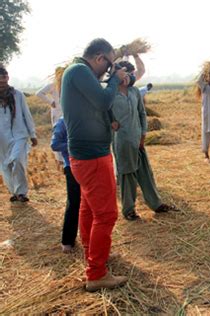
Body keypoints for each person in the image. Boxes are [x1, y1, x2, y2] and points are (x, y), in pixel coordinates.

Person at [61, 38, 128, 292]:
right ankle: (97, 273)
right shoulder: (79, 70)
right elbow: (102, 101)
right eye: (108, 64)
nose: (109, 70)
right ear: (99, 58)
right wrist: (114, 79)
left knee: (88, 209)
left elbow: (96, 105)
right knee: (107, 214)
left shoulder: (76, 72)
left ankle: (93, 255)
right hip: (92, 157)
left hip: (85, 155)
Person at [111, 61, 176, 220]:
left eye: (129, 74)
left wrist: (143, 135)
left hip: (137, 138)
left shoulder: (133, 92)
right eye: (124, 74)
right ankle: (129, 210)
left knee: (145, 172)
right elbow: (101, 113)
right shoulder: (109, 93)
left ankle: (156, 204)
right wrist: (110, 121)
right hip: (122, 140)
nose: (128, 77)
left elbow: (142, 114)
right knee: (128, 174)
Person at [0, 64, 38, 202]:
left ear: (8, 77)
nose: (2, 81)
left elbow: (26, 115)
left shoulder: (18, 95)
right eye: (0, 78)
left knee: (17, 160)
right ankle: (14, 192)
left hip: (19, 135)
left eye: (4, 77)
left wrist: (32, 134)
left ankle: (21, 192)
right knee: (5, 165)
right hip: (1, 138)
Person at [51, 117, 80, 253]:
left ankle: (90, 240)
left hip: (89, 164)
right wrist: (73, 145)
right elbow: (55, 144)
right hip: (72, 166)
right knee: (74, 203)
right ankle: (67, 241)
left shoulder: (85, 118)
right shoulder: (62, 122)